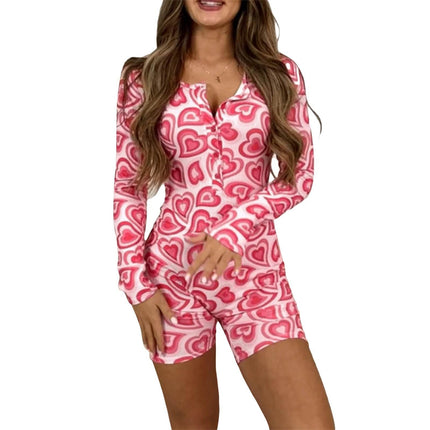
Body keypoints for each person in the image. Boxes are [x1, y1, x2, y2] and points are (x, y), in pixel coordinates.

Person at [113, 0, 335, 428]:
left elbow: (299, 176)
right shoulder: (143, 77)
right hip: (172, 281)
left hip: (256, 277)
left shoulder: (279, 73)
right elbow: (128, 185)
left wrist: (237, 224)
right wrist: (135, 284)